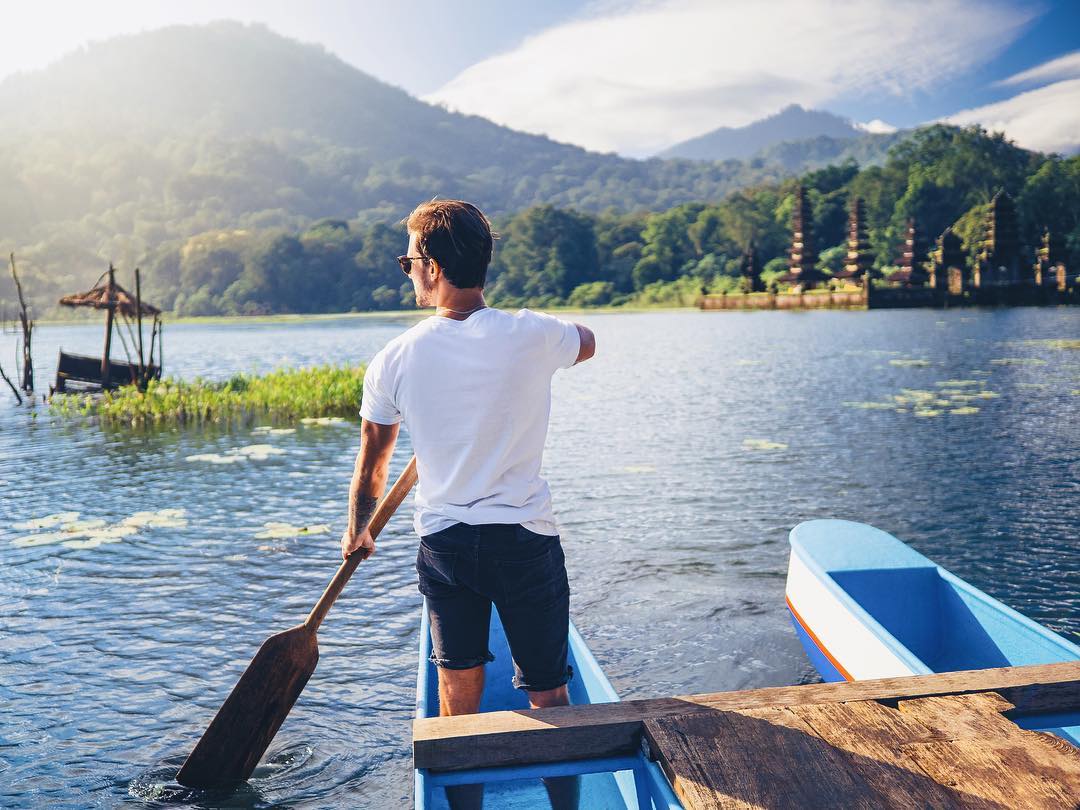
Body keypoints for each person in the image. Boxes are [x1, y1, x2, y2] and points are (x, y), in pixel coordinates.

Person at [340, 199, 595, 809]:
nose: (407, 273)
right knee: (549, 695)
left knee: (458, 697)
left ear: (431, 266)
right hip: (527, 542)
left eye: (407, 262)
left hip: (448, 544)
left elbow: (372, 466)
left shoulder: (395, 359)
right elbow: (588, 341)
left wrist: (359, 531)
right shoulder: (534, 334)